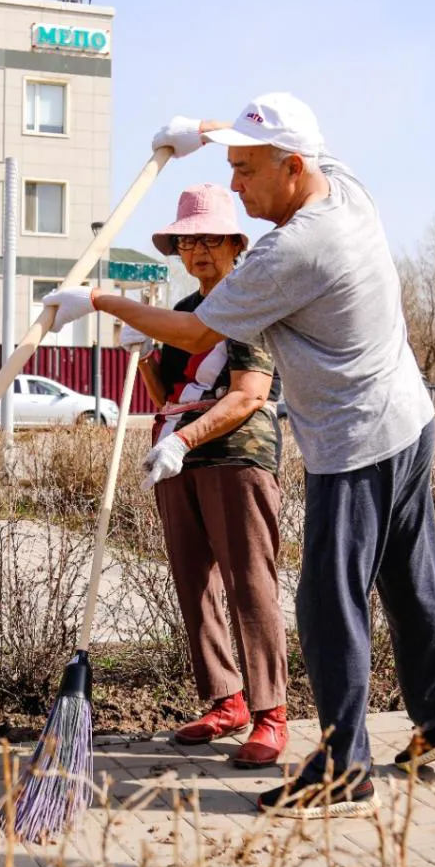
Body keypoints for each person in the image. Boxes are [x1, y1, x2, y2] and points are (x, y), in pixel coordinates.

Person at [44, 93, 435, 819]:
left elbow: (194, 335)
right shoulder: (346, 186)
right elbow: (281, 144)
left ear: (292, 167)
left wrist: (100, 300)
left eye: (247, 172)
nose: (239, 188)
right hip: (410, 418)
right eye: (232, 168)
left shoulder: (295, 250)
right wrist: (205, 132)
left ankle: (344, 768)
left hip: (358, 439)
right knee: (409, 576)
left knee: (326, 600)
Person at [118, 183, 289, 769]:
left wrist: (186, 439)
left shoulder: (251, 303)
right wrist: (143, 353)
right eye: (187, 240)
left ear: (237, 244)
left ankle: (271, 714)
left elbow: (247, 395)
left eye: (210, 237)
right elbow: (167, 396)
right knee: (193, 583)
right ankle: (226, 698)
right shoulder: (183, 314)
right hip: (177, 457)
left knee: (250, 584)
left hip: (238, 455)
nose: (198, 250)